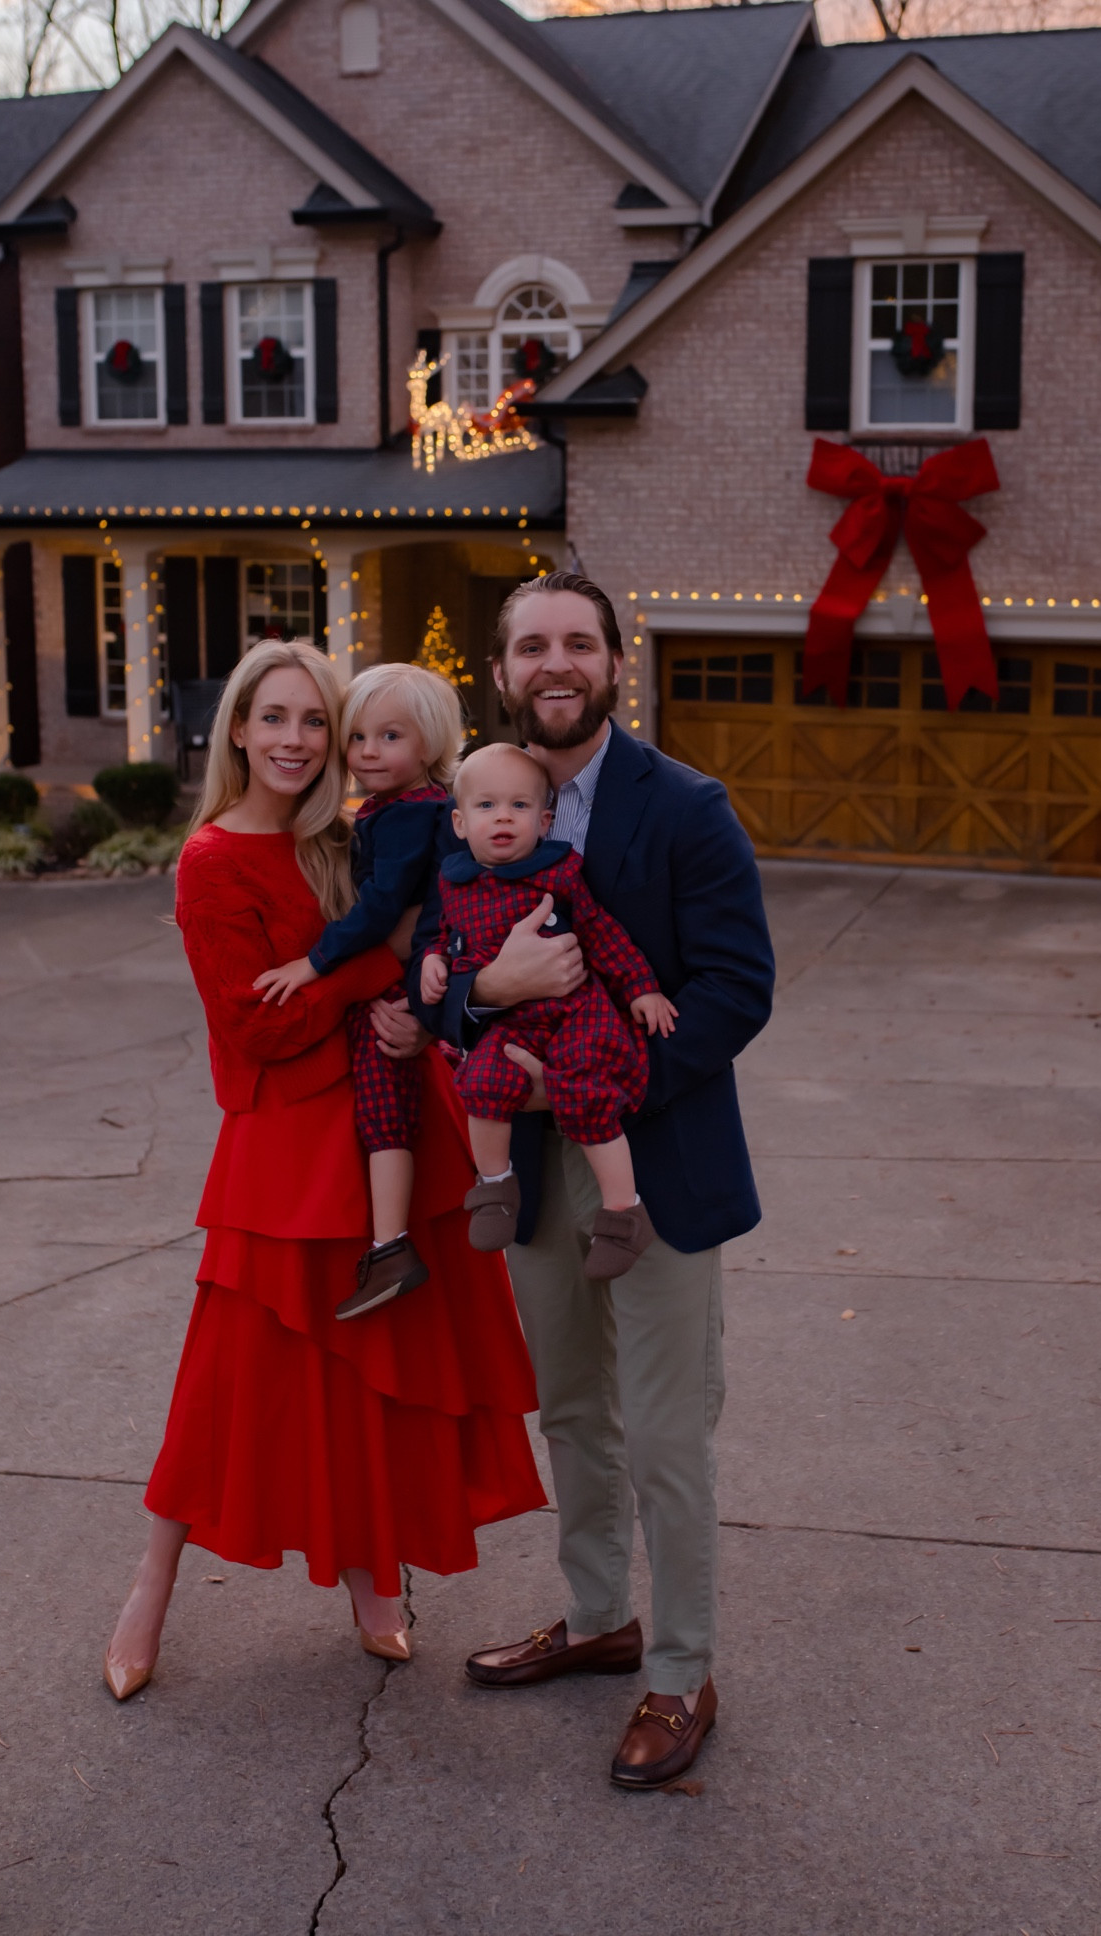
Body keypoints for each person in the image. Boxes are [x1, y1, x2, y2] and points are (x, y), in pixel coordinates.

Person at [103, 639, 543, 1702]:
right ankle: (147, 1590)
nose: (298, 740)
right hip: (281, 1150)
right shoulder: (212, 858)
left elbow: (421, 935)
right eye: (277, 718)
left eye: (316, 720)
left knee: (374, 1367)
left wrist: (413, 1007)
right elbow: (258, 1029)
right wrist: (376, 974)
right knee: (225, 1381)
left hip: (384, 1128)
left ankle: (372, 1583)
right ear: (239, 729)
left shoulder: (341, 838)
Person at [410, 569, 774, 1791]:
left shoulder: (686, 806)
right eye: (530, 646)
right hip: (530, 1169)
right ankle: (598, 1614)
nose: (554, 662)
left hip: (647, 1158)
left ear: (612, 661)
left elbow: (736, 985)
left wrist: (608, 1082)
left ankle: (679, 1670)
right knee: (571, 1407)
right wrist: (485, 1000)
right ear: (502, 672)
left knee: (668, 1429)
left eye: (578, 641)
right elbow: (445, 976)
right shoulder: (473, 811)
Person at [253, 662, 463, 1321]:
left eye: (390, 737)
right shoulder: (399, 808)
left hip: (410, 979)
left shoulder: (407, 815)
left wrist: (313, 964)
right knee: (386, 1101)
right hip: (422, 966)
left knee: (383, 1105)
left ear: (428, 745)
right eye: (358, 737)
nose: (369, 751)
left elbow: (378, 908)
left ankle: (391, 1245)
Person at [419, 742, 677, 1276]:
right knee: (482, 1081)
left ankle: (624, 1212)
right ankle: (494, 1188)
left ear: (544, 821)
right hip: (513, 1024)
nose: (503, 818)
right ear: (462, 824)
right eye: (487, 807)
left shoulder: (556, 874)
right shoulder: (455, 881)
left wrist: (640, 987)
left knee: (585, 1091)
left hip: (575, 1013)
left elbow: (604, 935)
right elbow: (449, 936)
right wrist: (434, 960)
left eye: (518, 807)